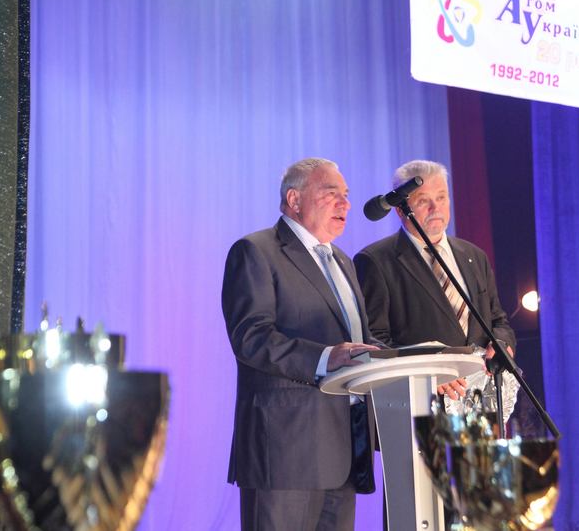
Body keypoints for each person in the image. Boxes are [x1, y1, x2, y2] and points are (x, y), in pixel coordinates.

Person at [221, 158, 381, 531]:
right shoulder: (256, 251)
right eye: (331, 194)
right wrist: (325, 357)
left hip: (343, 451)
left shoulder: (342, 261)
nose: (345, 204)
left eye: (346, 195)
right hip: (285, 452)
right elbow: (251, 337)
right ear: (294, 200)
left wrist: (411, 360)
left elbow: (358, 341)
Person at [354, 159, 515, 401]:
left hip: (481, 397)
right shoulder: (376, 261)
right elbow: (374, 340)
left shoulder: (473, 256)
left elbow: (498, 320)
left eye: (441, 198)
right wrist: (429, 371)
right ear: (400, 209)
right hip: (420, 400)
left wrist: (502, 343)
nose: (435, 208)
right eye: (423, 201)